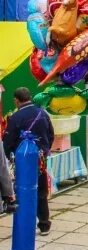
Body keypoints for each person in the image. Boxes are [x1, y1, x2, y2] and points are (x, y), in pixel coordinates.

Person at [3, 87, 55, 235]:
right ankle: (44, 224)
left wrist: (8, 157)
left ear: (16, 100)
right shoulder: (42, 113)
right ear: (30, 97)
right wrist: (44, 151)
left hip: (23, 160)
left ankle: (27, 225)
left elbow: (8, 141)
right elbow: (51, 134)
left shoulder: (16, 117)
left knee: (24, 191)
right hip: (40, 159)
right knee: (41, 191)